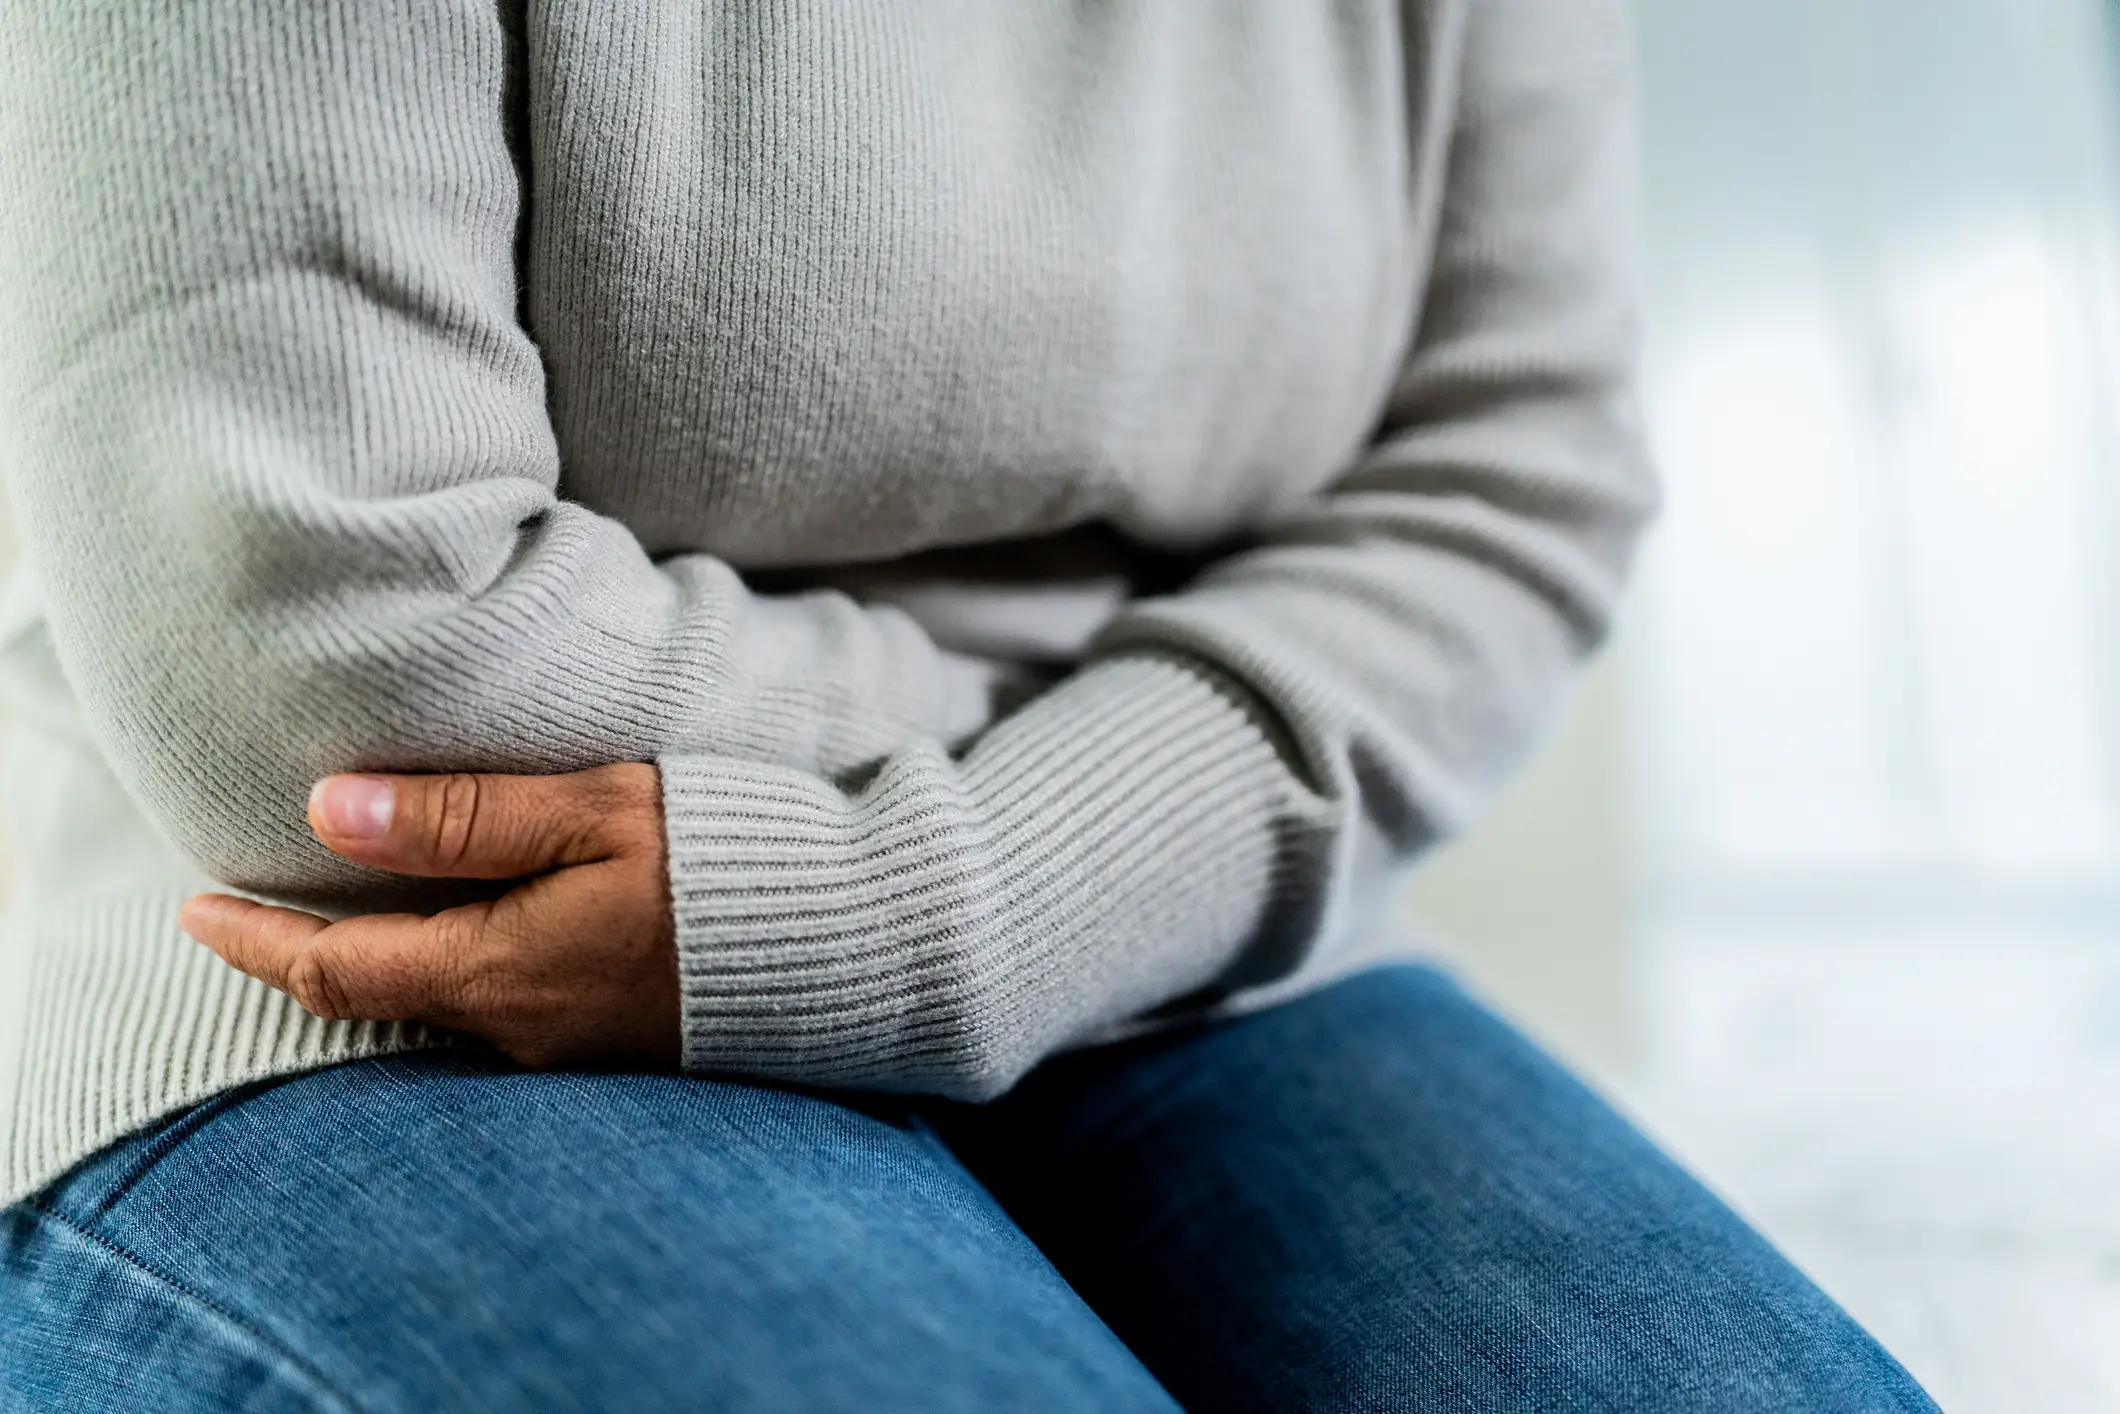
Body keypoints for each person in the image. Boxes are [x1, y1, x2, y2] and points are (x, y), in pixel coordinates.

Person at [0, 1, 1936, 1408]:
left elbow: (1517, 467)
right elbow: (333, 637)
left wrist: (957, 895)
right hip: (388, 974)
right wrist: (1127, 748)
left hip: (1173, 945)